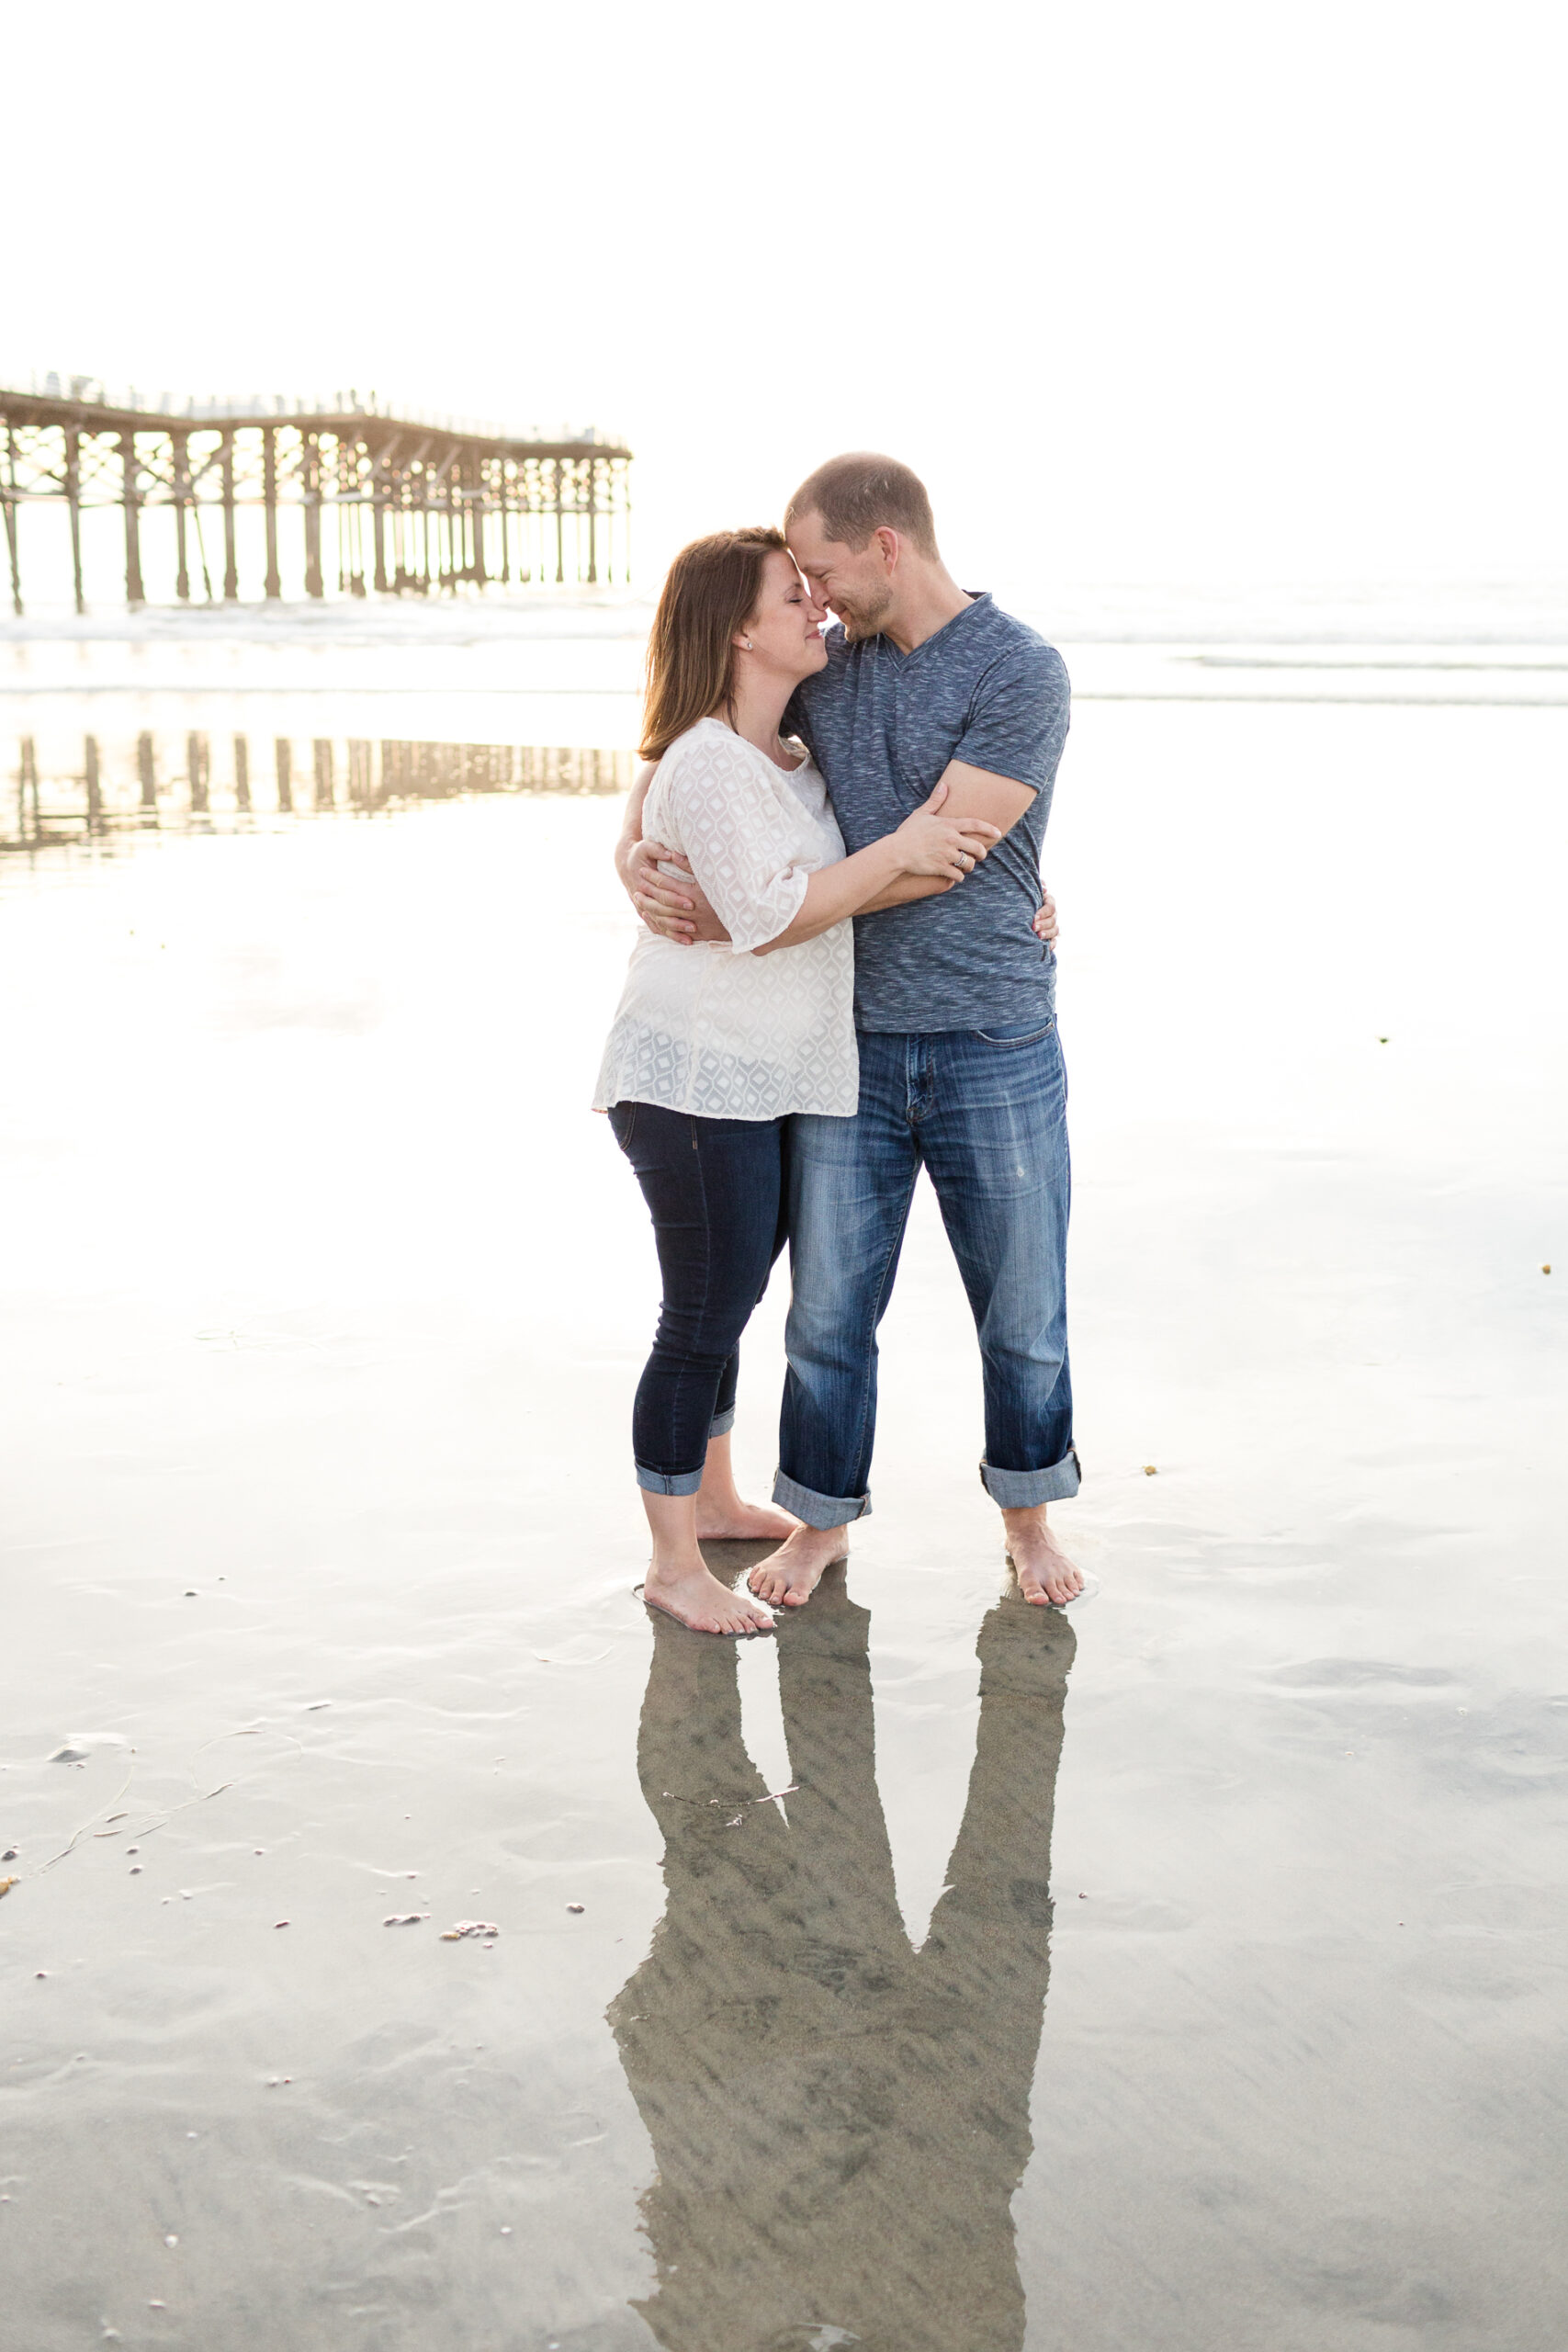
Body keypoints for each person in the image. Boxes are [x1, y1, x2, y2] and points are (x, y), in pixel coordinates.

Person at [623, 456, 1084, 1611]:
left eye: (822, 570)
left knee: (1022, 1308)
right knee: (826, 1313)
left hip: (995, 1032)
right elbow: (701, 748)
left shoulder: (1021, 669)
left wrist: (764, 910)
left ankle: (1028, 1520)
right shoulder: (830, 672)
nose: (815, 599)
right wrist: (630, 847)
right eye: (799, 586)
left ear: (887, 546)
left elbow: (956, 841)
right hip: (849, 1042)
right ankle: (819, 1524)